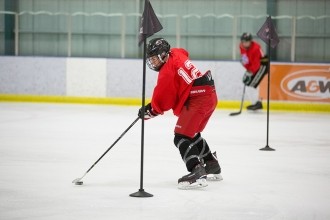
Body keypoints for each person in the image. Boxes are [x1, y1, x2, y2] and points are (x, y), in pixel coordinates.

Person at [138, 38, 222, 190]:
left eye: (155, 58)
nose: (153, 62)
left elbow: (164, 99)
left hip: (199, 99)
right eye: (151, 59)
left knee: (181, 137)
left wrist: (151, 110)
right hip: (209, 94)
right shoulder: (176, 53)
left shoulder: (166, 72)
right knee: (191, 133)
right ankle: (211, 164)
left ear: (164, 55)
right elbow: (184, 52)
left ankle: (197, 171)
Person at [239, 32, 268, 110]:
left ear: (250, 41)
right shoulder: (241, 46)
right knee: (246, 82)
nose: (244, 43)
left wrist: (250, 72)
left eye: (246, 42)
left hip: (263, 65)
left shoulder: (256, 48)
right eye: (243, 41)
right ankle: (255, 103)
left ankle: (258, 103)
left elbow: (256, 64)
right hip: (254, 66)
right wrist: (246, 68)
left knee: (253, 83)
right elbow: (245, 59)